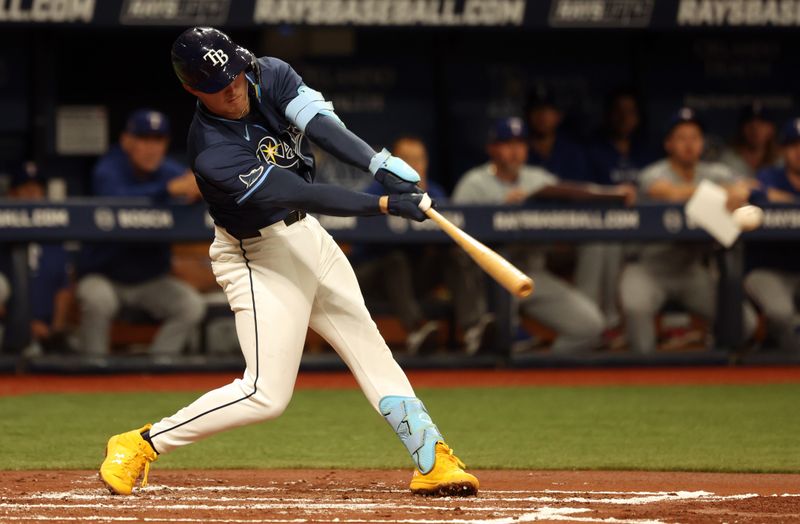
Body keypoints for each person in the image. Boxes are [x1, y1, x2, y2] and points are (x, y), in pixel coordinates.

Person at [100, 27, 478, 498]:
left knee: (369, 343)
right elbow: (296, 191)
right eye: (220, 84)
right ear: (193, 90)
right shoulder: (212, 151)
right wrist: (380, 205)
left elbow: (320, 125)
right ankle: (140, 443)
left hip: (307, 237)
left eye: (236, 74)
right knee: (265, 395)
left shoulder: (269, 73)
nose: (235, 87)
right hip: (256, 256)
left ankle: (431, 456)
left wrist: (378, 164)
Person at [452, 117, 606, 354]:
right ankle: (501, 340)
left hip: (532, 275)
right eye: (507, 143)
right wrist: (500, 210)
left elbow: (573, 201)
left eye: (520, 144)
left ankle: (545, 373)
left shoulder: (539, 179)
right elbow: (456, 239)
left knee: (591, 325)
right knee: (499, 336)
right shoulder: (473, 183)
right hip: (490, 280)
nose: (515, 151)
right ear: (492, 148)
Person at [619, 108, 756, 354]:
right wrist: (719, 194)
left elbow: (744, 190)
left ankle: (710, 368)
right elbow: (665, 192)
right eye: (681, 138)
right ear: (668, 144)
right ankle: (645, 376)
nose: (689, 145)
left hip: (691, 270)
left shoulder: (715, 172)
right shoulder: (654, 172)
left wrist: (730, 193)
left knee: (745, 323)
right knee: (635, 310)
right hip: (649, 266)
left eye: (694, 138)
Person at [76, 109, 206, 356]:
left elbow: (191, 188)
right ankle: (93, 371)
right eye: (144, 139)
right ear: (127, 141)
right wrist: (169, 189)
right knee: (97, 300)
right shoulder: (108, 168)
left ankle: (156, 370)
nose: (151, 148)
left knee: (190, 305)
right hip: (104, 276)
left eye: (158, 141)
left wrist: (199, 190)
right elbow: (116, 197)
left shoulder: (169, 171)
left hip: (151, 280)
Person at [353, 136, 450, 355]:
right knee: (395, 260)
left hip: (413, 280)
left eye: (420, 159)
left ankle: (474, 328)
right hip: (374, 278)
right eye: (407, 160)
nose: (415, 166)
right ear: (393, 164)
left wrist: (419, 195)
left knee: (453, 256)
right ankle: (416, 329)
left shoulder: (433, 192)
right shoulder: (375, 192)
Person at [744, 118, 800, 354]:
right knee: (781, 313)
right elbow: (754, 193)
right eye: (794, 145)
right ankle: (782, 364)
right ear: (783, 150)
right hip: (767, 269)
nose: (799, 152)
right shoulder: (769, 176)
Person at [7, 162, 73, 353]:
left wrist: (55, 329)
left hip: (46, 331)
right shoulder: (3, 238)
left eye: (37, 189)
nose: (33, 195)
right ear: (12, 195)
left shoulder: (54, 239)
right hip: (8, 327)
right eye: (26, 189)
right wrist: (26, 325)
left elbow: (64, 288)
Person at [525, 86, 590, 181]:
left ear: (559, 115)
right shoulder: (517, 151)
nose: (542, 115)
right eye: (536, 109)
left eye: (548, 110)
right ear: (527, 114)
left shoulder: (573, 152)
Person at [719, 101, 778, 178]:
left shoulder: (781, 162)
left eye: (761, 124)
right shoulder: (728, 160)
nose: (755, 129)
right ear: (741, 128)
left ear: (771, 129)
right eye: (750, 125)